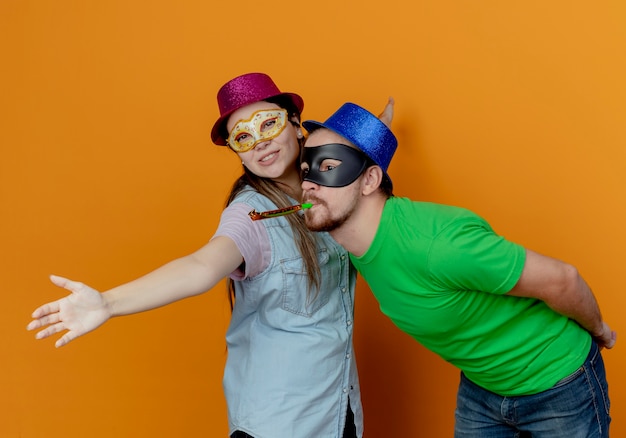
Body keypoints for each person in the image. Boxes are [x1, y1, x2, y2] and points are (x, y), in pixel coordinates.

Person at [27, 74, 392, 438]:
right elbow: (200, 267)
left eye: (268, 124)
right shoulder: (251, 214)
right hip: (279, 423)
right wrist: (107, 303)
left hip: (338, 410)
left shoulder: (326, 195)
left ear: (297, 126)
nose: (260, 143)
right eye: (243, 137)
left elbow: (359, 175)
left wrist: (374, 138)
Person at [298, 102, 617, 437]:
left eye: (328, 166)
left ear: (370, 181)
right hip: (482, 386)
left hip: (557, 382)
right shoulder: (352, 238)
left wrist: (598, 330)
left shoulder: (438, 244)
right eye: (305, 170)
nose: (308, 184)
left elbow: (562, 279)